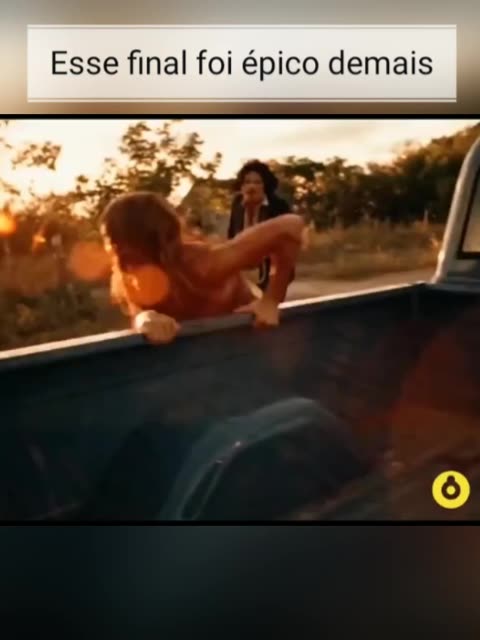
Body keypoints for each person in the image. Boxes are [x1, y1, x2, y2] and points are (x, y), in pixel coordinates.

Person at [101, 191, 304, 345]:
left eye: (118, 243)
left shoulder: (205, 264)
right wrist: (145, 319)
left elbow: (291, 225)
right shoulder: (129, 275)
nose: (114, 250)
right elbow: (140, 313)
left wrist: (271, 300)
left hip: (250, 341)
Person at [228, 160, 294, 291]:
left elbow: (287, 244)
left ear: (265, 185)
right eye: (247, 182)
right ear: (241, 185)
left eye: (257, 182)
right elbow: (231, 234)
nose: (251, 187)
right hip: (243, 272)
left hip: (270, 272)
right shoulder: (237, 204)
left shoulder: (278, 206)